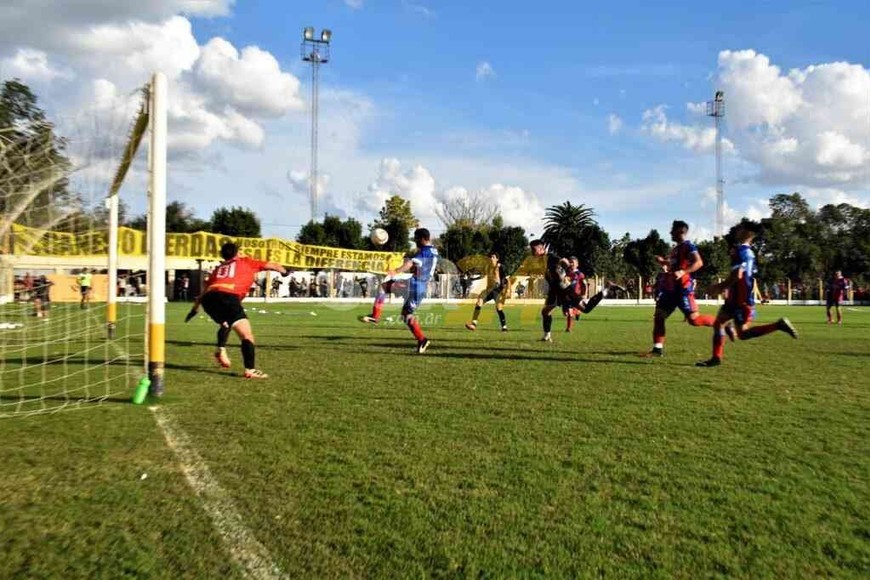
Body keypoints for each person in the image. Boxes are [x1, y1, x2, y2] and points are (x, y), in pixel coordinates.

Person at [697, 223, 798, 367]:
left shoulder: (741, 251)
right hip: (736, 298)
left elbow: (738, 275)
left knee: (743, 334)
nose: (737, 231)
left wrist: (719, 287)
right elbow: (744, 276)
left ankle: (778, 325)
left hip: (741, 300)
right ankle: (716, 357)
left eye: (740, 229)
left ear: (747, 232)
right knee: (719, 323)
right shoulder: (750, 253)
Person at [185, 242, 289, 379]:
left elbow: (203, 292)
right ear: (237, 253)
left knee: (226, 324)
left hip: (209, 299)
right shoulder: (246, 261)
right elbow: (274, 266)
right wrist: (285, 272)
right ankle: (250, 370)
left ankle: (221, 349)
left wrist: (194, 310)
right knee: (246, 335)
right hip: (228, 296)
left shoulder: (219, 268)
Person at [359, 228, 438, 354]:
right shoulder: (433, 250)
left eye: (416, 239)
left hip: (415, 285)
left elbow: (410, 263)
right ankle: (422, 340)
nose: (415, 241)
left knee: (384, 288)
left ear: (423, 239)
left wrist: (396, 271)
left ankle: (375, 316)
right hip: (420, 287)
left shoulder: (424, 252)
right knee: (406, 314)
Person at [648, 220, 715, 357]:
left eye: (672, 230)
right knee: (659, 316)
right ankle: (657, 349)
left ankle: (720, 323)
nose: (670, 233)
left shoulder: (689, 246)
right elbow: (674, 266)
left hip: (683, 290)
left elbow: (699, 262)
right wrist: (663, 262)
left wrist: (684, 272)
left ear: (680, 231)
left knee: (694, 320)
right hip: (670, 290)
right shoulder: (675, 249)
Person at [527, 240, 617, 342]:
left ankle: (607, 289)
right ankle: (547, 336)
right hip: (554, 290)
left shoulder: (550, 257)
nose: (532, 252)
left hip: (564, 289)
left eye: (534, 249)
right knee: (545, 312)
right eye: (531, 249)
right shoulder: (541, 260)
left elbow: (563, 260)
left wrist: (566, 268)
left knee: (585, 309)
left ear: (541, 249)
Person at [465, 252, 509, 332]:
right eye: (490, 257)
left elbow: (507, 279)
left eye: (493, 257)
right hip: (489, 290)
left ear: (497, 259)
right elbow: (483, 275)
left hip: (498, 291)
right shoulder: (488, 267)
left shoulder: (500, 267)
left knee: (499, 308)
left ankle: (504, 327)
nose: (491, 258)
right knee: (479, 302)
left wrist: (507, 290)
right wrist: (473, 279)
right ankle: (473, 324)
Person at [562, 256, 587, 332]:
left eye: (573, 262)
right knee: (565, 313)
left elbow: (584, 285)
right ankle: (578, 312)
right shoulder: (567, 273)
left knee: (570, 313)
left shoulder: (580, 274)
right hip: (567, 295)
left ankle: (568, 328)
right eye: (570, 262)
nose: (571, 264)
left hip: (576, 296)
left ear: (577, 264)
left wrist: (584, 294)